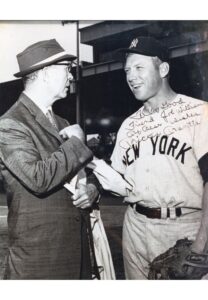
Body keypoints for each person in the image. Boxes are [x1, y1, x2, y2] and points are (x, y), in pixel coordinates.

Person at [0, 39, 104, 279]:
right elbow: (38, 179)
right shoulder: (9, 124)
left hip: (75, 253)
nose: (71, 77)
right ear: (45, 74)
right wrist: (77, 143)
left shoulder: (63, 124)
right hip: (39, 258)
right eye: (67, 70)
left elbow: (84, 173)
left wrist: (90, 189)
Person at [107, 36, 208, 279]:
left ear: (163, 69)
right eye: (128, 70)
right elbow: (113, 176)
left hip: (184, 227)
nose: (131, 76)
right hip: (135, 228)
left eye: (139, 67)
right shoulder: (128, 125)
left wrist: (201, 246)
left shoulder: (199, 112)